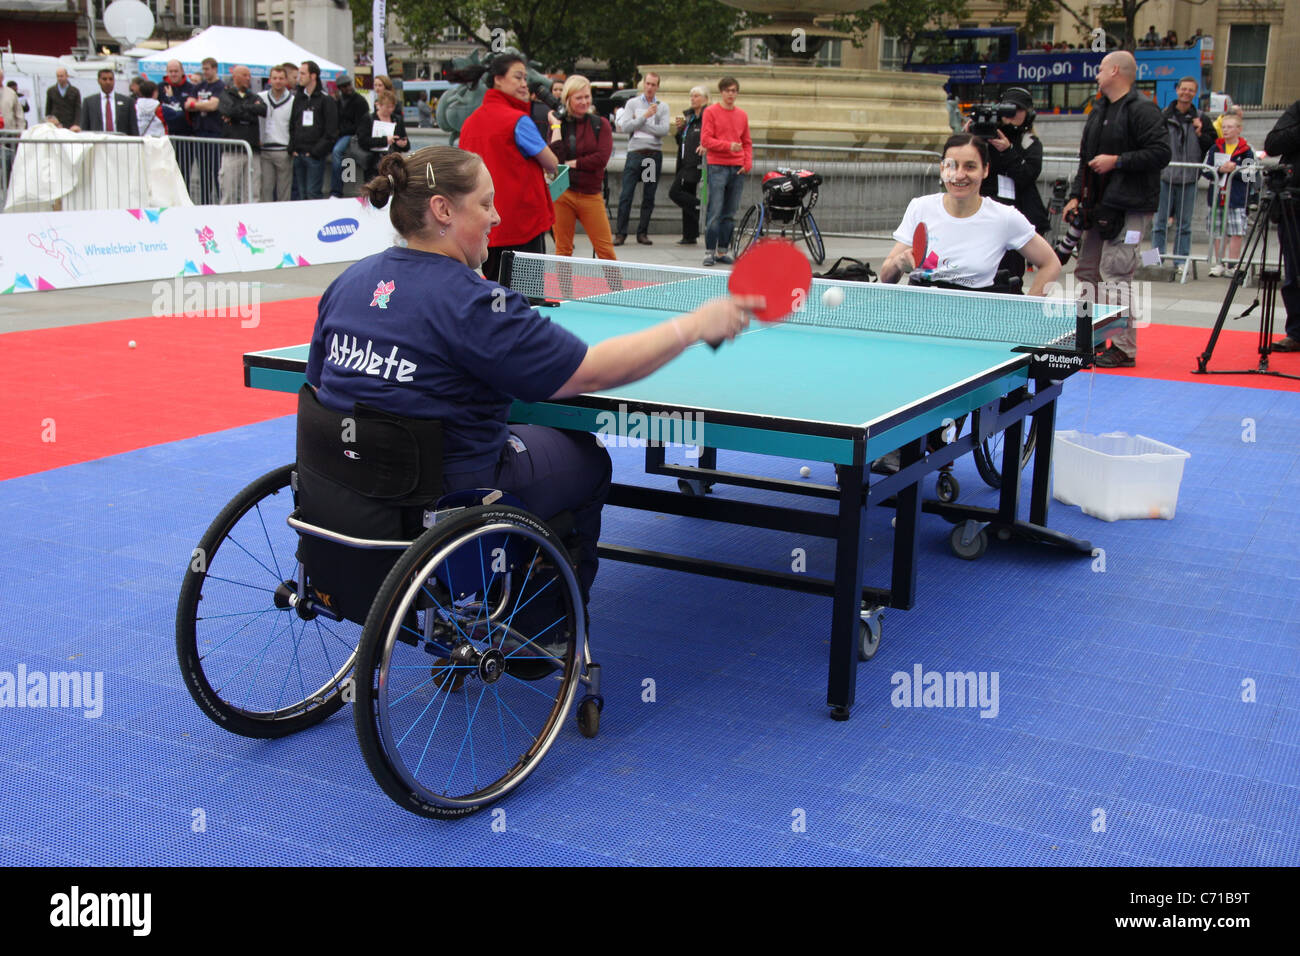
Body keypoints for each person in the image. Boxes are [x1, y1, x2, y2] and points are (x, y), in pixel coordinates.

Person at [303, 145, 756, 634]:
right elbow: (591, 372)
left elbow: (320, 387)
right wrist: (692, 326)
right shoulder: (476, 304)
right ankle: (544, 627)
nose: (497, 217)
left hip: (348, 494)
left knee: (521, 424)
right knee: (587, 455)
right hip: (452, 497)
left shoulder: (348, 284)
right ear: (443, 210)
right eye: (485, 203)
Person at [1063, 51, 1170, 368]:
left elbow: (1160, 152)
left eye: (1099, 69)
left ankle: (1123, 347)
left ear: (1114, 70)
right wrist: (1074, 196)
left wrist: (1118, 161)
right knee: (1086, 271)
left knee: (1115, 273)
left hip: (1131, 206)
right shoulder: (1099, 110)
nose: (1095, 74)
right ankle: (1087, 338)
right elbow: (1085, 159)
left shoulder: (1143, 110)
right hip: (1097, 205)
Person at [878, 134, 1061, 294]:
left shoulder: (1004, 217)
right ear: (942, 169)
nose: (959, 175)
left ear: (986, 170)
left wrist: (1029, 313)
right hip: (918, 313)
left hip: (975, 317)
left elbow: (1050, 263)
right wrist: (899, 263)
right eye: (952, 166)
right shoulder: (920, 207)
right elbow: (886, 277)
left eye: (970, 167)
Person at [458, 54, 558, 282]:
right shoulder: (518, 121)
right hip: (521, 227)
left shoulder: (470, 123)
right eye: (518, 77)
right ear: (498, 80)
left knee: (496, 296)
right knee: (528, 301)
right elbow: (551, 163)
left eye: (525, 78)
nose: (524, 83)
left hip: (485, 228)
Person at [974, 86, 1049, 281]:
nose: (1013, 114)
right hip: (983, 209)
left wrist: (1008, 151)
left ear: (1028, 113)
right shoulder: (984, 137)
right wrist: (969, 138)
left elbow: (1026, 176)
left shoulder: (1029, 142)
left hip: (1014, 214)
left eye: (1019, 109)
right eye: (1010, 108)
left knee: (1011, 272)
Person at [547, 74, 617, 260]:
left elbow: (601, 158)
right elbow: (556, 159)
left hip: (591, 193)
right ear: (568, 99)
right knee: (562, 251)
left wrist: (573, 163)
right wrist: (555, 127)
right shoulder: (560, 124)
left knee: (606, 250)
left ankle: (618, 290)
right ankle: (565, 291)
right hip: (563, 193)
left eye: (587, 97)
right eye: (579, 98)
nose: (584, 102)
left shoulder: (600, 124)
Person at [1152, 76, 1216, 267]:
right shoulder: (1164, 116)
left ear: (1195, 93)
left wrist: (1200, 132)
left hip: (1189, 178)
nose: (1186, 93)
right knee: (1159, 223)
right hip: (1165, 176)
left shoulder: (1202, 118)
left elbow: (1212, 144)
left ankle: (1181, 262)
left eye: (1190, 90)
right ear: (1177, 90)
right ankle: (1154, 261)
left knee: (1184, 225)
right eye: (1183, 89)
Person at [700, 76, 751, 266]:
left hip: (737, 168)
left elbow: (747, 142)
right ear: (721, 92)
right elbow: (706, 140)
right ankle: (709, 251)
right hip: (718, 166)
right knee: (715, 210)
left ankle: (722, 251)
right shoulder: (711, 112)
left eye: (734, 91)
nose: (731, 94)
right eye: (728, 91)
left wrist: (747, 164)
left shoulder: (742, 115)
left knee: (730, 212)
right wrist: (729, 146)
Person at [613, 73, 669, 246]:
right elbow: (625, 126)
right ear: (643, 85)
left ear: (657, 86)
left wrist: (641, 122)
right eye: (648, 83)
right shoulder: (632, 103)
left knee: (648, 195)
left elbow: (664, 130)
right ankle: (621, 233)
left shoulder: (662, 107)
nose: (650, 87)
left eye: (653, 84)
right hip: (635, 153)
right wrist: (645, 116)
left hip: (651, 155)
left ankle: (642, 232)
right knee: (626, 194)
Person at [1263, 100, 1300, 351]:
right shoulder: (1297, 110)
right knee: (1295, 271)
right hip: (1295, 203)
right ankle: (1296, 332)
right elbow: (1272, 145)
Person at [1205, 113, 1254, 276]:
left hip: (1236, 197)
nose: (1226, 130)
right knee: (1218, 231)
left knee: (1236, 231)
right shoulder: (1214, 148)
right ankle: (1219, 262)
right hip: (1217, 196)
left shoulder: (1247, 150)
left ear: (1239, 129)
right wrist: (1219, 170)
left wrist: (1235, 170)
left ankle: (1233, 264)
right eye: (1223, 127)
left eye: (1230, 127)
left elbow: (1250, 174)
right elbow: (1205, 170)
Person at [290, 60, 338, 200]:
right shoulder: (299, 98)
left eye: (303, 73)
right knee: (301, 194)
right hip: (299, 154)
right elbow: (293, 124)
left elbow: (331, 131)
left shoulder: (326, 100)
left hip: (314, 155)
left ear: (313, 76)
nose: (300, 77)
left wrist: (315, 152)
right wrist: (292, 147)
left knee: (313, 193)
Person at [218, 65, 266, 204]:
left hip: (252, 151)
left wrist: (241, 111)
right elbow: (228, 111)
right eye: (245, 75)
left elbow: (263, 110)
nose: (248, 78)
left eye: (249, 75)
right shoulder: (226, 95)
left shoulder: (254, 96)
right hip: (232, 151)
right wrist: (250, 111)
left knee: (252, 192)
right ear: (235, 76)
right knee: (229, 192)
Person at [668, 87, 708, 245]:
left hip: (696, 163)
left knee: (675, 192)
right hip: (685, 161)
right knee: (686, 192)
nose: (693, 99)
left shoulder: (706, 117)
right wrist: (680, 130)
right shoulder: (690, 118)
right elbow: (682, 141)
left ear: (705, 99)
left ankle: (703, 210)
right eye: (691, 96)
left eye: (696, 96)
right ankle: (689, 234)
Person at [187, 58, 225, 204]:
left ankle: (220, 200)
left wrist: (195, 104)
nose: (205, 72)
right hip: (199, 132)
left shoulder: (219, 86)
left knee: (216, 170)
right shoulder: (199, 86)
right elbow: (187, 105)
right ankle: (205, 202)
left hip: (214, 133)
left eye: (207, 69)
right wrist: (201, 104)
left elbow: (213, 106)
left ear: (214, 69)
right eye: (203, 69)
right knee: (203, 172)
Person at [258, 65, 294, 201]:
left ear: (286, 80)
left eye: (281, 78)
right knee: (266, 189)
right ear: (270, 80)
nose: (278, 81)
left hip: (284, 150)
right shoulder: (260, 97)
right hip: (265, 149)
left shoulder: (293, 100)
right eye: (275, 78)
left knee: (284, 190)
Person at [330, 73, 369, 198]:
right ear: (340, 88)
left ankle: (336, 190)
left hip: (352, 135)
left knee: (337, 151)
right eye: (344, 86)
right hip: (341, 133)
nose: (348, 88)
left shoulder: (360, 101)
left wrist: (341, 131)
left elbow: (360, 124)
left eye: (349, 85)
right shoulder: (338, 101)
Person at [357, 88, 409, 179]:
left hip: (393, 163)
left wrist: (403, 144)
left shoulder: (397, 119)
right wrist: (384, 140)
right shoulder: (369, 119)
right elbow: (363, 141)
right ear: (380, 105)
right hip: (374, 163)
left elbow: (406, 142)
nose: (390, 109)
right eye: (387, 107)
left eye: (392, 107)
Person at [80, 69, 136, 135]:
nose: (108, 82)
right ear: (98, 81)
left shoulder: (127, 101)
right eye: (104, 79)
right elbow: (84, 126)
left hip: (121, 141)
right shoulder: (89, 102)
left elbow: (133, 127)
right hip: (98, 141)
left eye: (111, 79)